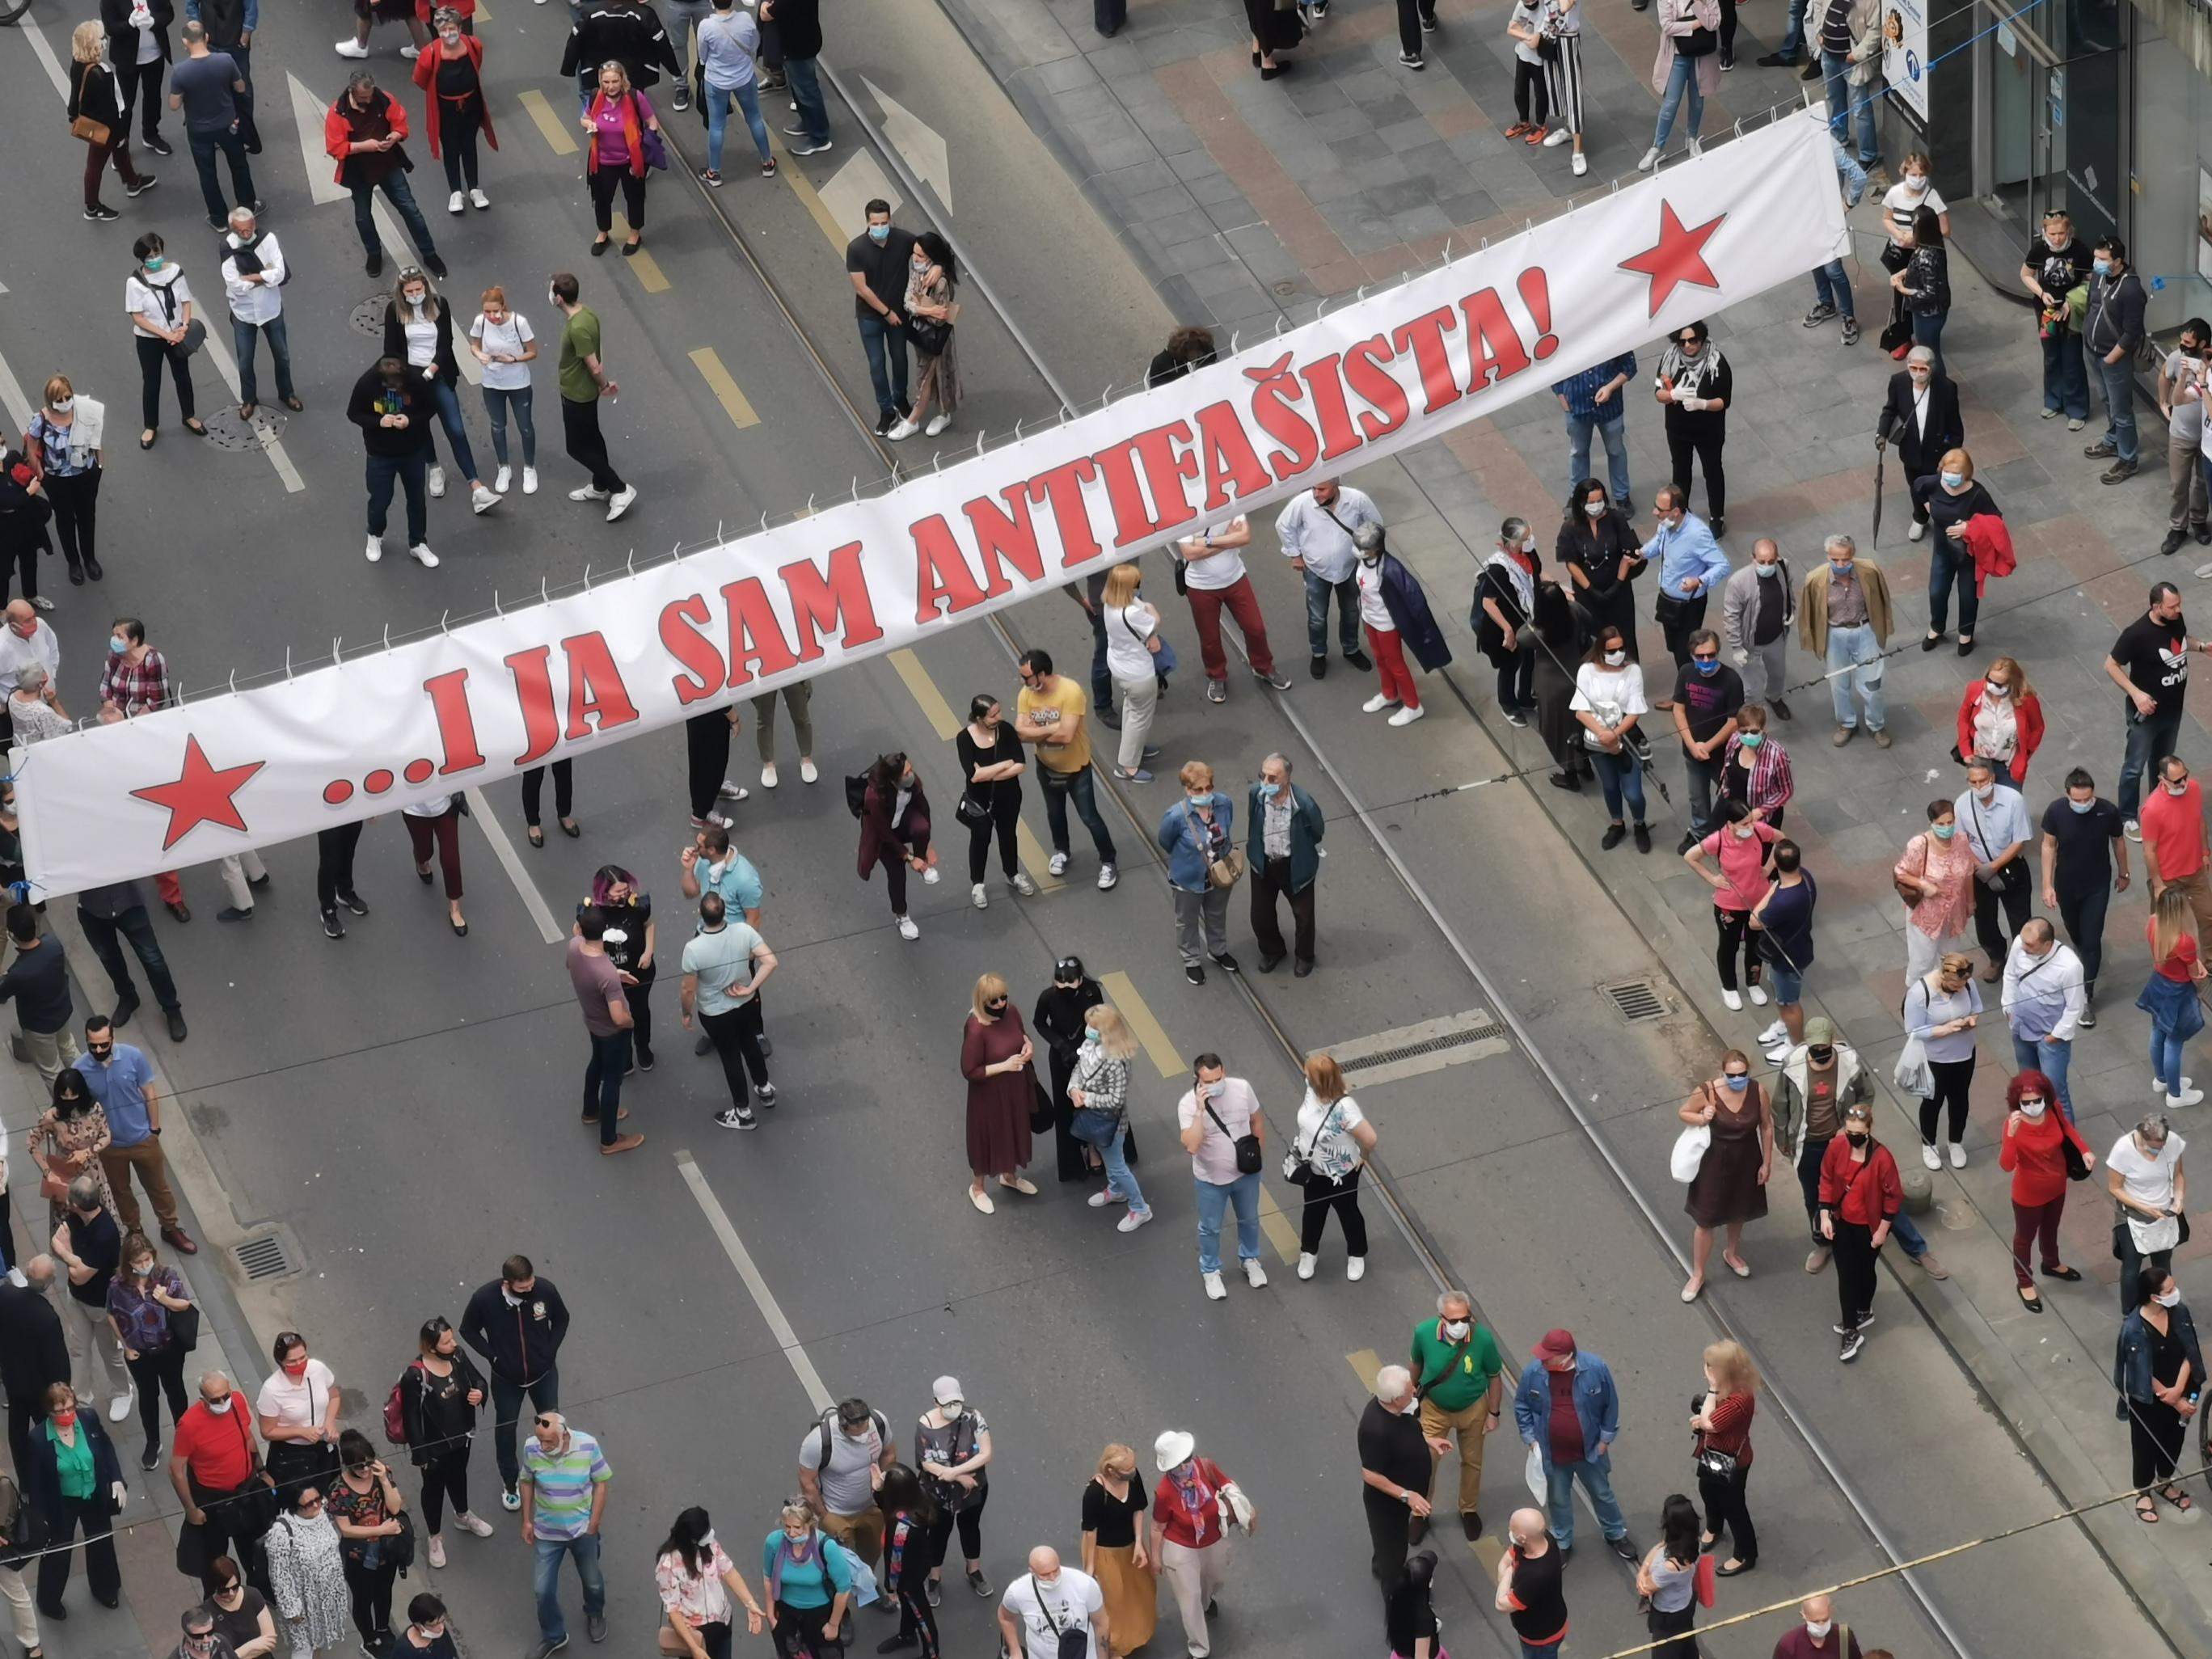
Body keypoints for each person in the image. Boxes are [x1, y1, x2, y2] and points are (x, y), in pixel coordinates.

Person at [382, 268, 497, 514]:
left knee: (456, 428)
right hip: (411, 379)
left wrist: (432, 370)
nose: (415, 295)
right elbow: (391, 350)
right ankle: (434, 467)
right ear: (402, 293)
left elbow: (446, 343)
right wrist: (407, 378)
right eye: (410, 291)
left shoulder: (439, 305)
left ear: (425, 287)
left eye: (419, 290)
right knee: (421, 428)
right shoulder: (395, 312)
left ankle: (477, 487)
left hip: (437, 375)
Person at [460, 1255, 568, 1513]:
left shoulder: (545, 1290)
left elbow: (562, 1320)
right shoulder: (484, 1299)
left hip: (543, 1375)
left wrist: (549, 1351)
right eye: (523, 1287)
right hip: (506, 1379)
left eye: (531, 1282)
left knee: (552, 1424)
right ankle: (511, 1483)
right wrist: (494, 1356)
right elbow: (468, 1331)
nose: (530, 1289)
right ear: (507, 1284)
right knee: (506, 1430)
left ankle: (553, 1473)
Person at [1512, 1328, 1632, 1557]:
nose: (1543, 1360)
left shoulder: (1595, 1368)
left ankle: (1615, 1532)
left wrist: (1605, 1440)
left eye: (1548, 1356)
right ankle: (1562, 1541)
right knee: (1558, 1499)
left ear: (1566, 1356)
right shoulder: (1534, 1372)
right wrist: (1530, 1439)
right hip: (1552, 1453)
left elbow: (1610, 1405)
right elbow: (1522, 1406)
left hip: (1590, 1451)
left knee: (1602, 1493)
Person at [325, 71, 444, 281]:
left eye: (370, 96)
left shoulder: (384, 99)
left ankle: (429, 253)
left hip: (388, 166)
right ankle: (374, 254)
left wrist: (395, 136)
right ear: (352, 92)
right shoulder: (337, 112)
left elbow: (400, 124)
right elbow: (335, 147)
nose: (368, 100)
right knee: (363, 218)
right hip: (359, 173)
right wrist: (364, 146)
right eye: (363, 98)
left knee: (410, 209)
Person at [1015, 648, 1119, 888]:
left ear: (1041, 674)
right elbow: (1020, 732)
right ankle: (1062, 851)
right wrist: (1052, 729)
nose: (1023, 682)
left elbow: (1067, 736)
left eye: (1027, 677)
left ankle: (1108, 861)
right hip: (1046, 767)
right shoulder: (1026, 694)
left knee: (1090, 817)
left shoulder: (1070, 692)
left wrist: (1037, 733)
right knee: (1055, 814)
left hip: (1076, 769)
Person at [1676, 1050, 1773, 1303]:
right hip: (1714, 1163)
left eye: (1743, 1074)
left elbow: (1766, 1126)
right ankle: (1698, 1274)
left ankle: (1731, 1252)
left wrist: (1767, 1162)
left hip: (1746, 1161)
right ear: (1723, 1073)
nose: (1738, 1079)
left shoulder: (1758, 1091)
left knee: (1738, 1210)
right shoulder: (1707, 1091)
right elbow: (1684, 1112)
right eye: (1732, 1075)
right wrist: (1702, 1117)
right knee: (1705, 1220)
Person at [2109, 585, 2206, 834]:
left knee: (2162, 762)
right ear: (2156, 607)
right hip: (2147, 715)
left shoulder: (2176, 620)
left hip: (2172, 711)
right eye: (2172, 606)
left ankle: (2157, 805)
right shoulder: (2137, 634)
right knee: (2134, 766)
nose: (2178, 610)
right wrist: (2136, 694)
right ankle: (2128, 814)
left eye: (2179, 604)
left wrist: (2202, 647)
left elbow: (2182, 643)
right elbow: (2111, 665)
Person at [397, 1317, 492, 1569]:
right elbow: (412, 1418)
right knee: (434, 1489)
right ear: (431, 1347)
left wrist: (479, 1393)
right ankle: (435, 1537)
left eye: (452, 1338)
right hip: (434, 1447)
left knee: (459, 1476)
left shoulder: (458, 1357)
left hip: (462, 1437)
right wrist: (421, 1455)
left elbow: (478, 1379)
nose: (454, 1343)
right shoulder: (415, 1376)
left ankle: (463, 1515)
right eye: (447, 1341)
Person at [1407, 1290, 1502, 1541]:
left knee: (1472, 1461)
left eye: (1465, 1319)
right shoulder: (1423, 1333)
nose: (1460, 1325)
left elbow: (1494, 1376)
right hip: (1435, 1410)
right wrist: (1409, 1395)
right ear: (1441, 1318)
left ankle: (1468, 1509)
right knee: (1426, 1462)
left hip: (1473, 1409)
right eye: (1453, 1321)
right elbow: (1416, 1363)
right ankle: (1420, 1513)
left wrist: (1493, 1413)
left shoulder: (1482, 1338)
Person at [1999, 1068, 2094, 1315]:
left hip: (2057, 1183)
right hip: (2028, 1193)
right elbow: (2006, 1164)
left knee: (2051, 1227)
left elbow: (2067, 1130)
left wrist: (2084, 1150)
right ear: (2017, 1102)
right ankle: (2024, 1280)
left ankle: (2051, 1263)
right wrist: (2010, 1136)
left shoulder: (2053, 1110)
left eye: (2037, 1100)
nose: (2032, 1106)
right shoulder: (2014, 1124)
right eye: (2026, 1102)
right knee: (2024, 1237)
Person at [26, 1380, 123, 1619]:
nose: (67, 1414)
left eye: (70, 1408)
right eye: (60, 1411)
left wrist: (117, 1479)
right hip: (62, 1502)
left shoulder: (88, 1418)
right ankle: (49, 1601)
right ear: (49, 1412)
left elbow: (106, 1447)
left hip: (93, 1494)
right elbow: (35, 1483)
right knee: (58, 1551)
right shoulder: (38, 1439)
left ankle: (106, 1588)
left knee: (101, 1542)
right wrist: (39, 1517)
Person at [2115, 1265, 2202, 1522]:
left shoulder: (2179, 1313)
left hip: (2180, 1390)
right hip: (2150, 1399)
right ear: (2154, 1297)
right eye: (2170, 1289)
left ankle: (2164, 1481)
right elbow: (2141, 1372)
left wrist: (2179, 1390)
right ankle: (2144, 1491)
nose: (2176, 1293)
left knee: (2173, 1439)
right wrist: (2175, 1399)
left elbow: (2191, 1351)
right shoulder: (2134, 1328)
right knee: (2145, 1446)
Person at [1174, 513, 1291, 703]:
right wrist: (1228, 540)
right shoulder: (1183, 514)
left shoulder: (1229, 503)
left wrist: (1206, 541)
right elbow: (1190, 553)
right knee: (1210, 638)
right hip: (1201, 587)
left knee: (1256, 628)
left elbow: (1245, 537)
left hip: (1236, 578)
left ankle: (1263, 667)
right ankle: (1216, 675)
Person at [521, 1412, 612, 1657]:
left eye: (549, 1442)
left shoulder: (588, 1445)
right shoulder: (531, 1448)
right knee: (542, 1590)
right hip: (547, 1533)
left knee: (592, 1580)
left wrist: (594, 1523)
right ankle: (554, 1635)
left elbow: (601, 1482)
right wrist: (527, 1521)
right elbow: (526, 1480)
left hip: (582, 1531)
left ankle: (595, 1613)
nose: (543, 1446)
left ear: (564, 1435)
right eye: (540, 1440)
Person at [170, 1378, 270, 1597]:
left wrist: (262, 1471)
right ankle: (216, 1597)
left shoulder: (238, 1403)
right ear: (203, 1400)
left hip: (246, 1490)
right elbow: (177, 1470)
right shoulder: (189, 1425)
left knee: (256, 1546)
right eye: (216, 1399)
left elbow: (249, 1438)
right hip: (213, 1500)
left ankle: (260, 1589)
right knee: (214, 1558)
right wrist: (191, 1510)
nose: (224, 1402)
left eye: (226, 1396)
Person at [551, 272, 637, 519]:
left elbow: (594, 365)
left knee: (575, 447)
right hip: (585, 392)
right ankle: (600, 487)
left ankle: (619, 488)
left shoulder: (576, 327)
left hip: (577, 394)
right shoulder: (587, 313)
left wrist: (603, 384)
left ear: (559, 298)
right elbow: (597, 351)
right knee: (593, 439)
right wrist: (601, 383)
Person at [2041, 768, 2125, 1019]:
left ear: (2094, 794)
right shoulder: (2056, 812)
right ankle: (2082, 950)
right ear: (2068, 795)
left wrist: (2125, 872)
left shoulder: (2107, 811)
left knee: (2091, 940)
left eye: (2087, 799)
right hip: (2067, 884)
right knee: (2075, 931)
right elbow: (2048, 845)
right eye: (2076, 800)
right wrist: (2047, 884)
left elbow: (2118, 840)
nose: (2082, 804)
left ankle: (2085, 995)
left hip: (2097, 885)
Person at [1180, 1054, 1266, 1298]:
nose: (1216, 1084)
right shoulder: (1187, 1105)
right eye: (1209, 1081)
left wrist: (1258, 1157)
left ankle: (1249, 1259)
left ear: (1224, 1071)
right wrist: (1199, 1111)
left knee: (1249, 1219)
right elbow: (1192, 1145)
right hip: (1211, 1181)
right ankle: (1210, 1270)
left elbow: (1256, 1120)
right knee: (1210, 1228)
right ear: (1197, 1080)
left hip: (1245, 1176)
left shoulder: (1242, 1088)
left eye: (1219, 1078)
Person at [1275, 478, 1381, 678]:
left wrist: (1367, 552)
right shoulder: (1302, 503)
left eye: (1322, 489)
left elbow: (1375, 525)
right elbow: (1283, 526)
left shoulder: (1357, 500)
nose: (1316, 493)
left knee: (1350, 611)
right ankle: (1318, 653)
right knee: (1317, 617)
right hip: (1316, 570)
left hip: (1349, 567)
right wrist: (1295, 554)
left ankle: (1351, 649)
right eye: (1314, 488)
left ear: (1335, 487)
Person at [1817, 1100, 1898, 1359]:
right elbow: (1827, 1179)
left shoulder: (1882, 1159)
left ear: (1869, 1130)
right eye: (1848, 1132)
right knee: (1847, 1276)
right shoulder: (1837, 1147)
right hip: (1843, 1222)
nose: (1852, 1137)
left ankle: (1864, 1309)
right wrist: (1824, 1215)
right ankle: (1851, 1329)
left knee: (1865, 1271)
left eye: (1858, 1134)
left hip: (1869, 1228)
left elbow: (1893, 1197)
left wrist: (1882, 1230)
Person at [103, 1230, 190, 1470]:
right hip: (139, 1353)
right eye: (138, 1261)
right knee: (148, 1396)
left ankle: (185, 1441)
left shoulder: (166, 1276)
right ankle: (153, 1441)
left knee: (175, 1391)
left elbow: (184, 1304)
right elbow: (111, 1314)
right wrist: (126, 1345)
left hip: (168, 1347)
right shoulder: (117, 1285)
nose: (144, 1265)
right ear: (129, 1263)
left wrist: (166, 1300)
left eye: (147, 1259)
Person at [51, 1175, 133, 1425]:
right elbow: (56, 1242)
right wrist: (75, 1261)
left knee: (110, 1352)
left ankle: (122, 1391)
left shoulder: (105, 1232)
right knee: (78, 1349)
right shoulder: (75, 1217)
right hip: (77, 1300)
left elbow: (80, 1276)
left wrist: (67, 1253)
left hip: (102, 1305)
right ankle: (82, 1398)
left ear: (75, 1204)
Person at [1148, 1433, 1238, 1658]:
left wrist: (1235, 1496)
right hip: (1181, 1547)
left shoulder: (1205, 1467)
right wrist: (1156, 1558)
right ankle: (1198, 1649)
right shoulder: (1165, 1492)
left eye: (1188, 1458)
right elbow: (1158, 1527)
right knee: (1190, 1598)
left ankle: (1207, 1602)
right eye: (1180, 1463)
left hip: (1213, 1538)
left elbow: (1226, 1483)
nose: (1187, 1464)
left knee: (1215, 1579)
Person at [1353, 521, 1450, 726]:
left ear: (1376, 549)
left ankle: (1413, 705)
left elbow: (1414, 598)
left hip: (1387, 624)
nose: (1358, 551)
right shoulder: (1364, 562)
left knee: (1396, 664)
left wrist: (1425, 629)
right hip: (1370, 618)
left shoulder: (1391, 569)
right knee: (1380, 658)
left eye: (1364, 548)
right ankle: (1389, 693)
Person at [1683, 802, 1777, 1010]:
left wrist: (1769, 867)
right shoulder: (1718, 840)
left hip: (1758, 901)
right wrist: (1712, 879)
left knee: (1755, 944)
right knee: (1729, 945)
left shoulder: (1759, 831)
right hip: (1730, 904)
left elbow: (1782, 840)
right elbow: (1691, 857)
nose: (1750, 827)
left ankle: (1753, 982)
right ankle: (1729, 987)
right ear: (1730, 824)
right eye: (1744, 824)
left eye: (1751, 821)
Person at [1800, 534, 1891, 746]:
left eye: (1846, 559)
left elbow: (1882, 599)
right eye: (1835, 559)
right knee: (1838, 684)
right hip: (1835, 634)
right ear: (1827, 556)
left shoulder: (1869, 571)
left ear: (1853, 555)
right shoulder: (1815, 579)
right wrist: (1813, 640)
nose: (1841, 564)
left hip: (1865, 629)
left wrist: (1883, 628)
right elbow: (1808, 613)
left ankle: (1876, 725)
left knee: (1873, 683)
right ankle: (1846, 723)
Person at [348, 355, 437, 569]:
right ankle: (375, 534)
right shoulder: (366, 383)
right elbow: (354, 413)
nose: (395, 388)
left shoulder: (415, 380)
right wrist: (378, 422)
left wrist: (410, 420)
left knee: (417, 499)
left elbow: (430, 408)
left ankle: (418, 543)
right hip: (380, 455)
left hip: (413, 452)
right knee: (380, 500)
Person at [1570, 623, 1653, 852]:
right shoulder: (1587, 670)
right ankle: (1617, 823)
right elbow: (1580, 710)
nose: (1618, 655)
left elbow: (1635, 711)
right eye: (1611, 651)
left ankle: (1639, 823)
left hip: (1626, 741)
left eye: (1621, 649)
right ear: (1600, 650)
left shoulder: (1633, 670)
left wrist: (1615, 735)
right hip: (1597, 741)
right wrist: (1603, 735)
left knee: (1633, 793)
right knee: (1610, 786)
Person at [1291, 1053, 1374, 1278]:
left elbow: (1370, 1138)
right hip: (1314, 1169)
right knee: (1312, 1211)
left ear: (1319, 1080)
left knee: (1348, 1212)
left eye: (1308, 1074)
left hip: (1342, 1173)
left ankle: (1356, 1253)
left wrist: (1363, 1156)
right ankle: (1309, 1252)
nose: (1305, 1077)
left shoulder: (1345, 1108)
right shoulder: (1311, 1093)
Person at [960, 974, 1038, 1215]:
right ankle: (978, 1187)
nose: (1001, 1004)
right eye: (994, 1001)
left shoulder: (1012, 1012)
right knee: (987, 1136)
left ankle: (1009, 1176)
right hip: (989, 1094)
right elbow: (970, 1070)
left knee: (1013, 1130)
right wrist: (1005, 1065)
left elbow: (1022, 1037)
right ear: (983, 1001)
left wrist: (1028, 1048)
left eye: (1004, 998)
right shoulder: (976, 1028)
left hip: (1013, 1088)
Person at [568, 907, 644, 1155]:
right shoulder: (606, 973)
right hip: (613, 1032)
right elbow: (618, 1016)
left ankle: (591, 1111)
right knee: (612, 1081)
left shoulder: (573, 947)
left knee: (596, 1064)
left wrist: (614, 975)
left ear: (580, 929)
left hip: (592, 1022)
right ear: (605, 934)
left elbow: (576, 966)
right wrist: (631, 1022)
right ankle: (609, 1140)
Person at [1910, 450, 2000, 655]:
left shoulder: (1978, 494)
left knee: (1968, 595)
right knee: (1937, 591)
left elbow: (1996, 520)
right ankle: (1936, 627)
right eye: (1947, 472)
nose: (1950, 477)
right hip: (1943, 549)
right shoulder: (1933, 484)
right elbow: (1917, 488)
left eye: (1956, 473)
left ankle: (1966, 634)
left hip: (1970, 554)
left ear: (1967, 473)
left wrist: (1969, 528)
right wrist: (1928, 508)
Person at [1068, 1003, 1149, 1231]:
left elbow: (1116, 1099)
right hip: (1094, 1115)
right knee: (1111, 1160)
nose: (1088, 1030)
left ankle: (1140, 1208)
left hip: (1109, 1121)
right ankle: (1116, 1190)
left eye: (1093, 1027)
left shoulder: (1116, 1061)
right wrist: (1073, 1088)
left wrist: (1086, 1098)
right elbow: (1079, 1068)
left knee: (1117, 1167)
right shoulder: (1091, 1045)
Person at [74, 880, 187, 1041]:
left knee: (152, 959)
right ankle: (128, 997)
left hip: (128, 904)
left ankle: (171, 1008)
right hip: (92, 909)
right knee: (109, 958)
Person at [167, 21, 254, 231]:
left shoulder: (180, 71)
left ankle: (218, 217)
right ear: (206, 37)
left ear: (185, 42)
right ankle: (247, 207)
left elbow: (174, 105)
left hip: (199, 130)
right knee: (239, 164)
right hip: (228, 124)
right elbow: (240, 87)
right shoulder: (225, 61)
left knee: (207, 173)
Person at [1159, 761, 1238, 986]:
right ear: (1187, 790)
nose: (1205, 793)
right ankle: (1191, 960)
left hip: (1219, 874)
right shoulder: (1176, 816)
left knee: (1217, 914)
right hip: (1188, 878)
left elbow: (1227, 831)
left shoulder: (1224, 804)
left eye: (1208, 788)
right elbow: (1166, 841)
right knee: (1187, 921)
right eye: (1198, 790)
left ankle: (1218, 950)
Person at [327, 1429, 406, 1653]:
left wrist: (383, 1479)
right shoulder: (338, 1489)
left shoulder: (381, 1474)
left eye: (368, 1463)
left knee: (384, 1591)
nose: (364, 1470)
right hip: (358, 1555)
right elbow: (346, 1529)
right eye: (358, 1466)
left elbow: (395, 1507)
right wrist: (381, 1529)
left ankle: (383, 1628)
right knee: (363, 1598)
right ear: (347, 1465)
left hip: (386, 1551)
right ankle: (369, 1639)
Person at [69, 21, 158, 223]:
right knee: (95, 165)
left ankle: (132, 181)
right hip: (105, 128)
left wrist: (72, 113)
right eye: (101, 38)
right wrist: (117, 135)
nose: (105, 41)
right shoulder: (101, 74)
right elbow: (110, 111)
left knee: (120, 150)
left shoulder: (78, 63)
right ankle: (92, 207)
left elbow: (76, 92)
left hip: (92, 121)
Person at [1357, 1365, 1436, 1586]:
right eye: (1410, 1390)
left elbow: (1407, 1435)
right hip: (1388, 1504)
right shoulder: (1376, 1429)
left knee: (1387, 1547)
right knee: (1394, 1551)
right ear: (1395, 1399)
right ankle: (1395, 1598)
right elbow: (1370, 1474)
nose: (1415, 1392)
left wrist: (1428, 1442)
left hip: (1404, 1496)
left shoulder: (1398, 1411)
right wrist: (1407, 1496)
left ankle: (1380, 1563)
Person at [1957, 755, 2034, 979]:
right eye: (1974, 782)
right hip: (1979, 872)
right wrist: (1981, 868)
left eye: (1983, 781)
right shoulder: (1962, 804)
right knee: (1985, 920)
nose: (1979, 786)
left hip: (2011, 867)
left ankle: (2023, 960)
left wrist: (1995, 866)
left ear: (1992, 778)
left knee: (2020, 918)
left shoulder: (2013, 800)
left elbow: (2020, 840)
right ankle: (1996, 957)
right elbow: (1962, 841)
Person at [1902, 954, 1981, 1173]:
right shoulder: (1919, 993)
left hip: (1964, 1053)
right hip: (1934, 1059)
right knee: (1932, 1102)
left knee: (1960, 1100)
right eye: (1954, 985)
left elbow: (1976, 1007)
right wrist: (1945, 1029)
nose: (1959, 989)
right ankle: (1929, 1144)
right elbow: (1913, 1030)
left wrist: (1972, 1020)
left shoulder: (1967, 983)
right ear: (1943, 975)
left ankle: (1956, 1142)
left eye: (1962, 985)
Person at [914, 1378, 991, 1602]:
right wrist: (958, 1476)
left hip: (973, 1488)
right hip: (938, 1492)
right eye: (947, 1403)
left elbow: (986, 1453)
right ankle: (934, 1577)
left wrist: (956, 1472)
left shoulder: (973, 1418)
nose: (953, 1407)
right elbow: (926, 1462)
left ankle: (973, 1571)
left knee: (970, 1527)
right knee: (939, 1532)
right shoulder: (925, 1424)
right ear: (936, 1402)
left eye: (956, 1402)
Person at [1876, 346, 1962, 545]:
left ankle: (1945, 519)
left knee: (1943, 486)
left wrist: (1955, 452)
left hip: (1938, 451)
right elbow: (1889, 410)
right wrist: (1881, 434)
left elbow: (1954, 422)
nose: (1917, 373)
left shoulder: (1946, 387)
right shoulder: (1898, 382)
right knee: (1915, 487)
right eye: (1912, 368)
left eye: (1922, 369)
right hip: (1911, 449)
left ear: (1931, 368)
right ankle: (1920, 518)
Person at [125, 234, 205, 448]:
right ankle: (150, 426)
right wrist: (167, 335)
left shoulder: (175, 272)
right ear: (141, 258)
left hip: (177, 334)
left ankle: (189, 416)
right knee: (152, 382)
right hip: (150, 340)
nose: (154, 258)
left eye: (157, 253)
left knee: (183, 377)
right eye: (149, 256)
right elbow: (138, 317)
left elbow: (186, 301)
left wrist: (184, 327)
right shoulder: (135, 283)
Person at [656, 1506, 766, 1659]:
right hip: (694, 1633)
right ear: (692, 1540)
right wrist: (694, 1649)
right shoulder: (668, 1565)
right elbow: (673, 1610)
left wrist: (750, 1603)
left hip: (722, 1621)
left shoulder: (709, 1545)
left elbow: (728, 1571)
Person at [955, 695, 1034, 909]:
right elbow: (973, 775)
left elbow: (1020, 765)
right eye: (993, 715)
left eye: (999, 712)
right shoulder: (964, 738)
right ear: (980, 718)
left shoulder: (1006, 730)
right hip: (979, 802)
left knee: (1008, 835)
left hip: (1009, 796)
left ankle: (1013, 873)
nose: (999, 717)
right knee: (980, 839)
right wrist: (1004, 765)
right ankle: (978, 884)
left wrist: (988, 773)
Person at [25, 382, 107, 585]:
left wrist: (99, 466)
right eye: (59, 400)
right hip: (57, 480)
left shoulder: (83, 411)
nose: (64, 403)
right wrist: (42, 474)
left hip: (85, 475)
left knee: (87, 517)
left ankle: (89, 558)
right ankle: (73, 562)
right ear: (50, 400)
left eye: (67, 397)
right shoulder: (41, 420)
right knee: (65, 520)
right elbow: (31, 447)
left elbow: (96, 437)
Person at [1672, 630, 1747, 851]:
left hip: (1723, 755)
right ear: (1692, 655)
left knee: (1732, 797)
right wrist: (1691, 744)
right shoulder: (1686, 673)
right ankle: (1698, 833)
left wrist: (1708, 746)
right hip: (1693, 752)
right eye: (1701, 656)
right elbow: (1678, 709)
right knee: (1697, 798)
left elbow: (1733, 722)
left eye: (1711, 655)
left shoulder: (1731, 680)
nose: (1707, 660)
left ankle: (1728, 834)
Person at [217, 209, 295, 421]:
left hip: (271, 309)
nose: (246, 234)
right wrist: (264, 277)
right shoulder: (227, 248)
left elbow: (279, 273)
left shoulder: (267, 239)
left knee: (282, 356)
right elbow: (234, 285)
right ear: (233, 230)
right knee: (245, 361)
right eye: (241, 231)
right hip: (244, 314)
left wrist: (250, 277)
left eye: (249, 229)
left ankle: (287, 392)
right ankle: (249, 399)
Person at [2020, 209, 2095, 428]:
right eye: (2052, 234)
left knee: (2072, 359)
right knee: (2051, 356)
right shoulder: (2039, 249)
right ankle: (2053, 400)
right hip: (2046, 312)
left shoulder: (2079, 250)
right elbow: (2025, 274)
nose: (2057, 238)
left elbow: (2092, 280)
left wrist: (2072, 302)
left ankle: (2077, 409)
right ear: (2045, 232)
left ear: (2068, 230)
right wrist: (2041, 294)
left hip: (2071, 313)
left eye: (2061, 233)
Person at [0, 1263, 71, 1492]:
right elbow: (57, 1363)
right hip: (41, 1390)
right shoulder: (46, 1316)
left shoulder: (6, 1295)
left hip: (14, 1379)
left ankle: (26, 1484)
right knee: (50, 1434)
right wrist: (63, 1391)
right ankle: (54, 1478)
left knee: (18, 1433)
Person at [798, 1397, 893, 1569]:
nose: (863, 1436)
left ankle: (866, 1585)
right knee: (839, 1564)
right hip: (837, 1514)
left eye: (865, 1430)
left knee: (872, 1554)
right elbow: (807, 1481)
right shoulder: (817, 1442)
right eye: (857, 1433)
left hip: (872, 1508)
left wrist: (885, 1487)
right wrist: (825, 1516)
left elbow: (888, 1453)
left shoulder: (878, 1423)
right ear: (843, 1426)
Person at [1642, 483, 1730, 667]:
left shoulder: (1697, 534)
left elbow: (1722, 565)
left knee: (1686, 653)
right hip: (1667, 600)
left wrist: (1699, 580)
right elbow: (1659, 542)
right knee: (1674, 647)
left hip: (1688, 606)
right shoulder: (1666, 525)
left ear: (1675, 511)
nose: (1654, 512)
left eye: (1660, 509)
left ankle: (1691, 688)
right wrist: (1642, 553)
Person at [413, 10, 492, 214]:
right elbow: (420, 80)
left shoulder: (474, 45)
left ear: (460, 28)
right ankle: (456, 191)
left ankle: (475, 188)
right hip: (445, 109)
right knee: (451, 148)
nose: (448, 33)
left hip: (471, 105)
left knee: (469, 145)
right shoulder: (429, 54)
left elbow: (477, 64)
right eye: (443, 30)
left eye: (452, 29)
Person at [846, 202, 916, 432]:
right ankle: (887, 410)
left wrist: (935, 268)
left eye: (884, 223)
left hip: (898, 315)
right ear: (867, 223)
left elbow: (927, 251)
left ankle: (901, 400)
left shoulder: (904, 240)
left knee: (900, 358)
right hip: (872, 317)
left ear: (890, 221)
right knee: (877, 364)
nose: (880, 227)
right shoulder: (856, 248)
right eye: (875, 224)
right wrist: (886, 313)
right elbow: (862, 289)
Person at [1036, 960, 1107, 1184]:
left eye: (1070, 984)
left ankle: (1094, 1148)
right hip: (1062, 1055)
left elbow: (1101, 1020)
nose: (1064, 988)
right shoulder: (1047, 997)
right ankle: (1073, 1158)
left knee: (1094, 1103)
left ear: (1080, 981)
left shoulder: (1090, 991)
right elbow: (1039, 1023)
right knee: (1067, 1106)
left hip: (1090, 1052)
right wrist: (1061, 1046)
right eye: (1060, 983)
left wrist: (1090, 1045)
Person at [1079, 1446, 1155, 1659]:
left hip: (1130, 1547)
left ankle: (1136, 1634)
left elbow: (1138, 1509)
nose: (1132, 1472)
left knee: (1141, 1590)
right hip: (1105, 1553)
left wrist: (1139, 1543)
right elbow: (1090, 1532)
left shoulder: (1133, 1476)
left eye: (1132, 1467)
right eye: (1126, 1470)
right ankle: (1114, 1646)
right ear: (1111, 1470)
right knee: (1114, 1598)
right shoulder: (1095, 1493)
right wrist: (1091, 1569)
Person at [463, 287, 538, 496]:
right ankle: (503, 467)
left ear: (503, 306)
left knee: (525, 427)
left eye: (495, 311)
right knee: (497, 426)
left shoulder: (519, 322)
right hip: (492, 383)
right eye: (487, 312)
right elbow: (474, 345)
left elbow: (533, 352)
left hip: (518, 383)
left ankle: (529, 468)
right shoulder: (481, 322)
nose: (492, 317)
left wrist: (513, 359)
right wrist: (478, 354)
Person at [2109, 1116, 2186, 1319]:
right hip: (2133, 1218)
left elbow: (2178, 1175)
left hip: (2164, 1216)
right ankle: (2130, 1314)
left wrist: (2178, 1198)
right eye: (2153, 1148)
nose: (2158, 1152)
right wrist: (2143, 1207)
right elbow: (2114, 1187)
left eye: (2161, 1147)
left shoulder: (2173, 1143)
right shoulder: (2123, 1151)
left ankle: (2163, 1306)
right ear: (2142, 1138)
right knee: (2131, 1270)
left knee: (2162, 1266)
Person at [2084, 235, 2147, 484]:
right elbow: (2092, 305)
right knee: (2105, 400)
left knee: (2122, 410)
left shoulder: (2131, 289)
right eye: (2096, 257)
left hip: (2113, 358)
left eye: (2102, 259)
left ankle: (2129, 459)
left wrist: (2111, 358)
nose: (2097, 263)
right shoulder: (2099, 276)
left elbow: (2132, 332)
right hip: (2092, 350)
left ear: (2118, 261)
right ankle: (2112, 441)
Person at [1558, 477, 1642, 662]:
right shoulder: (1570, 527)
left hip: (1619, 593)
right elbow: (1571, 562)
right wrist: (1591, 590)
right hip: (1588, 596)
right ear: (1581, 503)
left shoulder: (1616, 519)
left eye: (1599, 501)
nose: (1597, 506)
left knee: (1624, 635)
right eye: (1591, 502)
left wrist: (1618, 583)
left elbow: (1627, 554)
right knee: (1594, 640)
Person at [1690, 1340, 1756, 1575]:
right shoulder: (1728, 1388)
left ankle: (1746, 1554)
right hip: (1714, 1454)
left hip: (1731, 1460)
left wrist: (1711, 1390)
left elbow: (1712, 1422)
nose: (1706, 1369)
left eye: (1711, 1366)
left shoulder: (1739, 1399)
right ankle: (1714, 1526)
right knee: (1707, 1489)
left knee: (1734, 1506)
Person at [580, 62, 660, 258]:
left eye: (615, 81)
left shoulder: (634, 98)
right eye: (606, 82)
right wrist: (588, 123)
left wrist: (648, 141)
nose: (610, 86)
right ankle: (603, 232)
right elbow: (584, 117)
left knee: (634, 197)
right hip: (602, 161)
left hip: (629, 161)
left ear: (622, 80)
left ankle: (634, 234)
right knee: (601, 199)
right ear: (601, 81)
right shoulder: (596, 96)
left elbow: (652, 121)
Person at [264, 1482, 348, 1659]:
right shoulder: (281, 1532)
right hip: (302, 1606)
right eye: (309, 1504)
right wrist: (292, 1610)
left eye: (318, 1499)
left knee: (319, 1643)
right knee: (303, 1650)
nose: (316, 1505)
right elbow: (279, 1575)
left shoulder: (322, 1514)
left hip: (326, 1599)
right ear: (295, 1506)